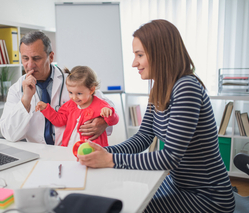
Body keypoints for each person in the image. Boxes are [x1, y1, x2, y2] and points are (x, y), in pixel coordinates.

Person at [78, 20, 235, 212]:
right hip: (178, 184)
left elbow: (170, 157)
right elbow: (143, 137)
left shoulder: (186, 88)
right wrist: (105, 152)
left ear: (161, 53)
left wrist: (111, 159)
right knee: (129, 201)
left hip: (207, 196)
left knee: (134, 208)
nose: (134, 63)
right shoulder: (159, 87)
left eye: (140, 55)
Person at [0, 31, 115, 145]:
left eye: (36, 58)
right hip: (38, 153)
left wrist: (104, 122)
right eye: (25, 58)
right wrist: (26, 99)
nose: (30, 65)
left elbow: (107, 105)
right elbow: (10, 135)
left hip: (69, 150)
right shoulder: (16, 89)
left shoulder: (72, 81)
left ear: (51, 57)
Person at [35, 66, 119, 148]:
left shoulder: (101, 105)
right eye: (70, 92)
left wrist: (109, 113)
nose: (74, 98)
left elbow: (114, 121)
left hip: (92, 149)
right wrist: (46, 109)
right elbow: (59, 120)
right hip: (70, 147)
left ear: (91, 90)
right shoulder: (69, 105)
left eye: (79, 93)